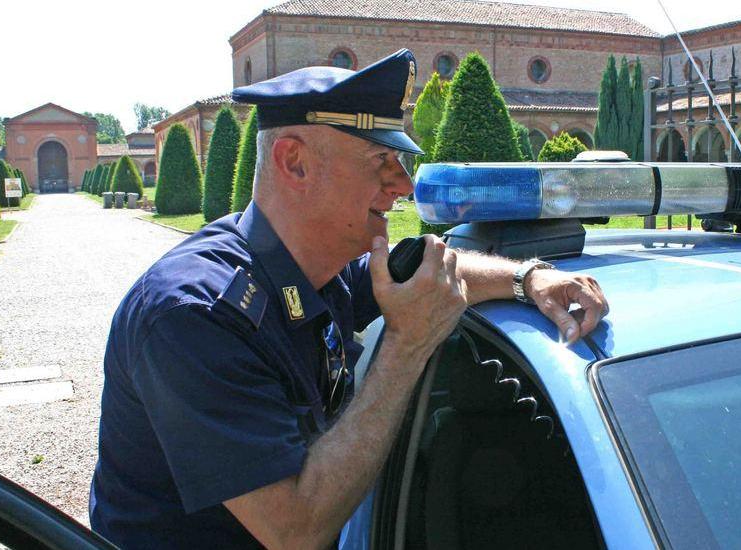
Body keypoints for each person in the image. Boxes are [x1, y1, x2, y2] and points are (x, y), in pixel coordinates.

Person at [89, 49, 608, 549]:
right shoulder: (194, 316)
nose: (403, 186)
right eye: (381, 160)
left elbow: (424, 267)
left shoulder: (314, 263)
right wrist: (407, 345)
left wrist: (528, 277)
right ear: (294, 162)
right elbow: (295, 533)